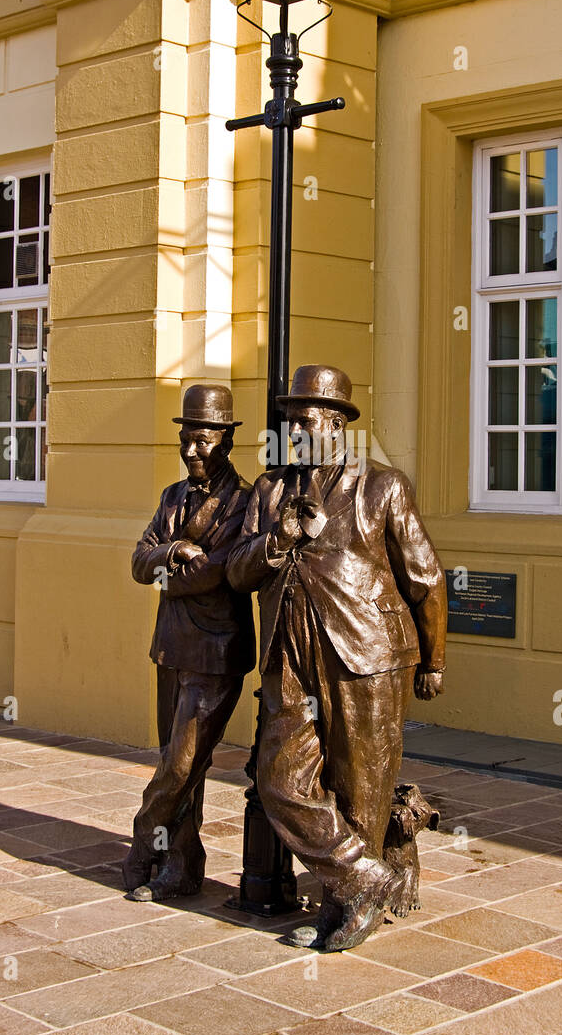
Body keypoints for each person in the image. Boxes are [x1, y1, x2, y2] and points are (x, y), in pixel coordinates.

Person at [226, 365, 446, 951]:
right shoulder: (270, 490)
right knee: (279, 778)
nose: (293, 430)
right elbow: (236, 569)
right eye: (288, 420)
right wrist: (280, 541)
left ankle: (348, 909)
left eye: (305, 419)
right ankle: (365, 875)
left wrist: (434, 660)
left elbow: (424, 576)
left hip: (367, 650)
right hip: (289, 649)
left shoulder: (382, 486)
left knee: (362, 782)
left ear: (337, 423)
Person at [123, 385, 255, 902]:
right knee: (177, 764)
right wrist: (175, 548)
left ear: (224, 439)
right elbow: (139, 561)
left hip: (217, 651)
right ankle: (180, 862)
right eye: (185, 440)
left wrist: (168, 570)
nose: (191, 451)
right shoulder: (171, 497)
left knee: (183, 761)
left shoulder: (243, 501)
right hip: (170, 647)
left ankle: (142, 838)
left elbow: (218, 572)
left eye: (201, 440)